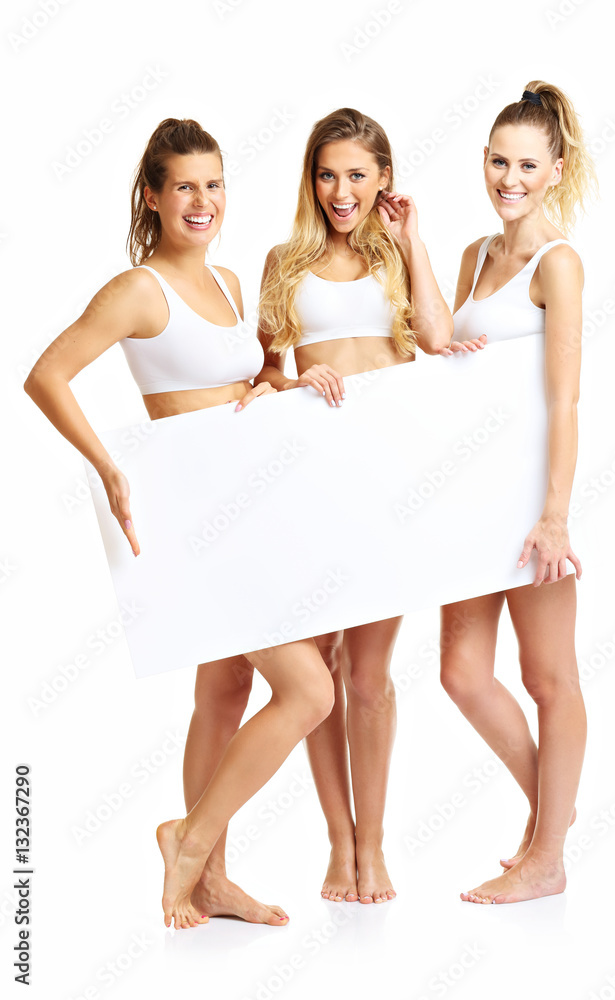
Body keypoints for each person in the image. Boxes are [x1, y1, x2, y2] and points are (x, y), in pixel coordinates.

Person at [23, 117, 335, 929]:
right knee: (310, 690)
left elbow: (245, 379)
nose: (203, 200)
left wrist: (278, 385)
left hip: (254, 510)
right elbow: (46, 375)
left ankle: (212, 881)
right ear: (154, 198)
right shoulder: (138, 290)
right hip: (201, 522)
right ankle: (188, 840)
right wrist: (108, 465)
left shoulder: (229, 281)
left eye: (214, 184)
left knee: (226, 690)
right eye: (185, 186)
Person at [258, 106, 453, 903]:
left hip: (388, 478)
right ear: (311, 180)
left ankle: (371, 847)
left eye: (357, 176)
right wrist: (293, 377)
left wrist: (412, 241)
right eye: (327, 175)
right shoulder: (284, 261)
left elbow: (436, 341)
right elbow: (262, 374)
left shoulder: (394, 255)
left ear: (384, 180)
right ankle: (338, 846)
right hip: (308, 481)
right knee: (320, 673)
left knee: (367, 674)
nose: (341, 192)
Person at [439, 82, 598, 904]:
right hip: (470, 501)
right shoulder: (474, 255)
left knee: (548, 679)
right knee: (461, 674)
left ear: (554, 170)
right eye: (498, 162)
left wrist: (554, 517)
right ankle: (551, 824)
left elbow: (563, 400)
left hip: (533, 505)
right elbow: (439, 358)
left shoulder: (556, 264)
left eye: (527, 166)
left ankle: (546, 857)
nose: (509, 178)